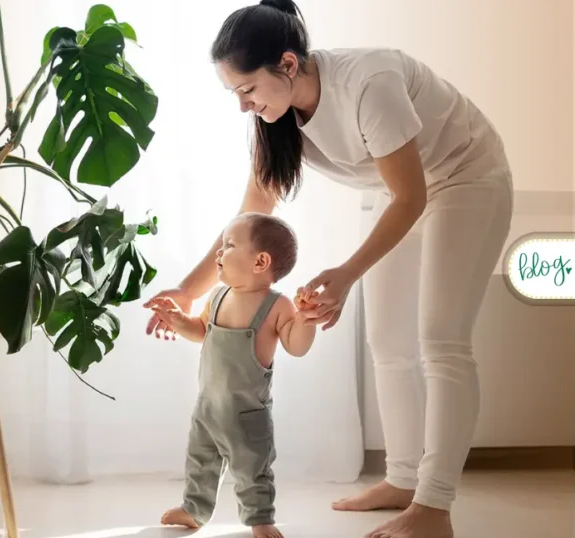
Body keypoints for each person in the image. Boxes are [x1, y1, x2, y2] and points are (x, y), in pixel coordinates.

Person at [144, 1, 514, 537]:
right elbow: (252, 214)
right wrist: (189, 290)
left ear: (289, 64)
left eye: (247, 90)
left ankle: (434, 506)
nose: (242, 105)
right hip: (394, 194)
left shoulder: (370, 83)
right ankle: (404, 479)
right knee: (387, 341)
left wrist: (345, 272)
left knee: (442, 340)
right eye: (235, 94)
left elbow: (412, 198)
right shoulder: (277, 118)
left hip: (465, 178)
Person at [147, 213, 317, 538]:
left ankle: (260, 519)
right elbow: (202, 331)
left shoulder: (277, 306)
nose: (219, 253)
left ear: (260, 261)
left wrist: (306, 321)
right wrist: (177, 319)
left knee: (252, 469)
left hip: (247, 414)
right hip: (208, 406)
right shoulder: (218, 295)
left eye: (229, 245)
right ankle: (194, 509)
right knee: (200, 461)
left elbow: (296, 347)